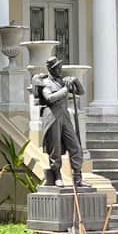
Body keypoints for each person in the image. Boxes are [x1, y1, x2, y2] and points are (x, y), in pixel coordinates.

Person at [33, 55, 87, 188]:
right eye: (57, 67)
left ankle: (78, 176)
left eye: (60, 67)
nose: (60, 69)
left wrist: (75, 80)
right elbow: (50, 98)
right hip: (52, 116)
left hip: (64, 116)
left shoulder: (62, 81)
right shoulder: (45, 83)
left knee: (75, 146)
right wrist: (65, 90)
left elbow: (81, 92)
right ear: (51, 69)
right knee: (55, 148)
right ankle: (57, 174)